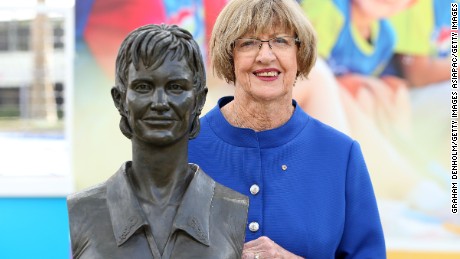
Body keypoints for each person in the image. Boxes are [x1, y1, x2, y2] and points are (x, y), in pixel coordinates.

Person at [188, 0, 385, 258]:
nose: (266, 56)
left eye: (281, 41)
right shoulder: (183, 149)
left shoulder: (341, 155)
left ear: (300, 55)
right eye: (248, 43)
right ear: (229, 55)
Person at [67, 24, 249, 258]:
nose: (160, 102)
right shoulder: (81, 211)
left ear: (198, 101)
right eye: (143, 87)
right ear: (120, 100)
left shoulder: (234, 210)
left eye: (175, 87)